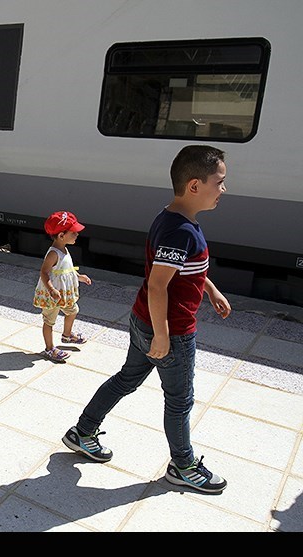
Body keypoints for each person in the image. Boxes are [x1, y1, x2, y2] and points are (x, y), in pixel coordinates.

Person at [62, 145, 231, 494]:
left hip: (144, 320)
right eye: (219, 182)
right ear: (195, 186)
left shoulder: (171, 218)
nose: (223, 189)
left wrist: (210, 289)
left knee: (126, 379)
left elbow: (181, 270)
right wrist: (164, 336)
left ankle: (83, 431)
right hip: (171, 330)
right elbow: (158, 285)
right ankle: (183, 465)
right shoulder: (181, 231)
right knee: (180, 401)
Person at [33, 211, 92, 363]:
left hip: (64, 294)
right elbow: (44, 273)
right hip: (53, 295)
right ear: (61, 235)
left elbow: (67, 270)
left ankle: (67, 335)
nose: (77, 235)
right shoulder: (53, 254)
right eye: (74, 232)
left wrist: (79, 277)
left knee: (73, 310)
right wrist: (51, 290)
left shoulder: (64, 249)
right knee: (49, 321)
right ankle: (49, 348)